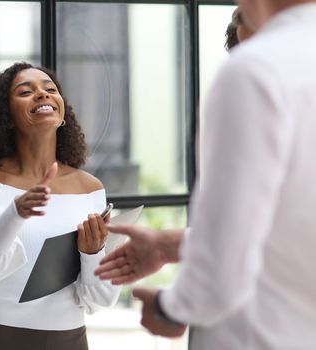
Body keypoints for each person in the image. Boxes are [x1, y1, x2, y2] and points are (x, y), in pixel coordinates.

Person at [96, 0, 316, 348]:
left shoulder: (257, 69)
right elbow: (288, 223)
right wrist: (170, 245)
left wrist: (171, 308)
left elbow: (223, 272)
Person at [0, 62, 121, 350]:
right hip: (1, 337)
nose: (42, 95)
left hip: (71, 340)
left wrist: (92, 254)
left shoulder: (90, 188)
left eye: (50, 89)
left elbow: (100, 299)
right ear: (6, 116)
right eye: (26, 91)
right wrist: (15, 213)